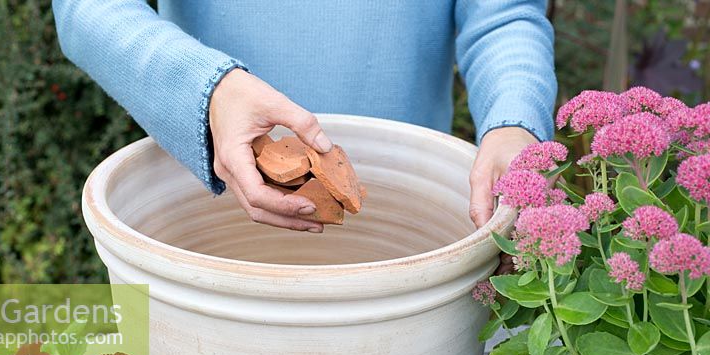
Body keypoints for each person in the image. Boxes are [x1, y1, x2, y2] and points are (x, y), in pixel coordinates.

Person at [53, 1, 555, 233]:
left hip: (406, 231)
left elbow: (503, 16)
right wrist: (210, 90)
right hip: (208, 214)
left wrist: (515, 119)